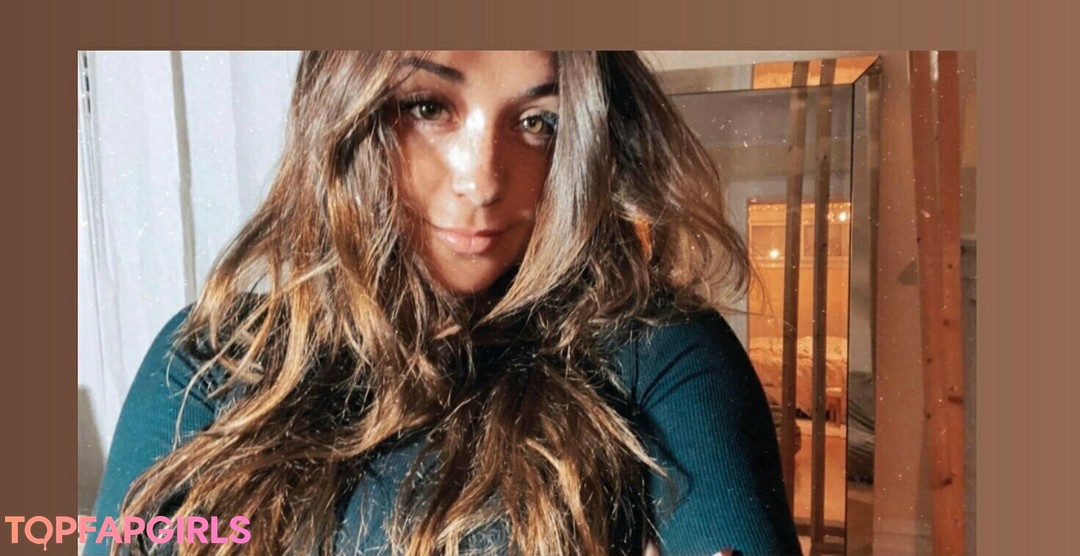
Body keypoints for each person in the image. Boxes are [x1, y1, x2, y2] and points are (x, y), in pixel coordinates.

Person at [88, 51, 800, 556]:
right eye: (427, 107)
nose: (483, 181)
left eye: (539, 121)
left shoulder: (658, 354)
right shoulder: (210, 359)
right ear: (344, 112)